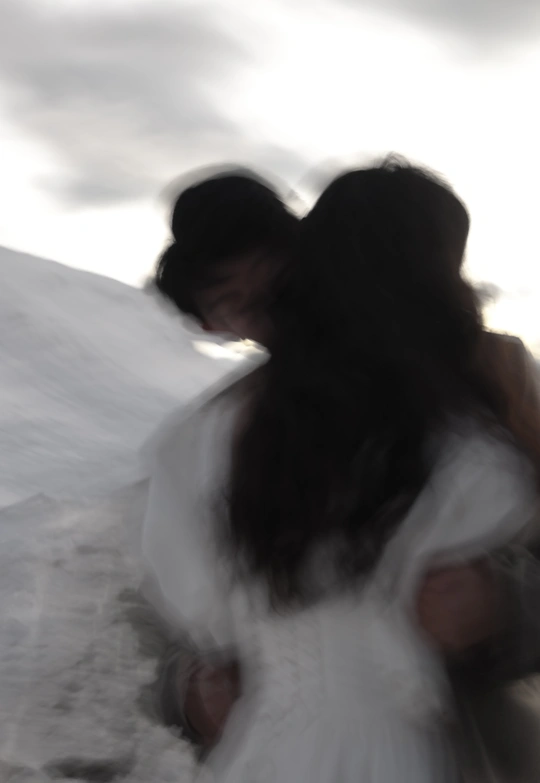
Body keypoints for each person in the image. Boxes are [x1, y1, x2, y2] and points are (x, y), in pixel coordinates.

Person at [142, 158, 539, 782]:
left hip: (466, 744)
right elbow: (179, 611)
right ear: (211, 320)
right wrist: (191, 690)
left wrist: (504, 607)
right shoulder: (213, 433)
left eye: (280, 287)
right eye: (236, 303)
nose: (268, 316)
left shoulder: (492, 380)